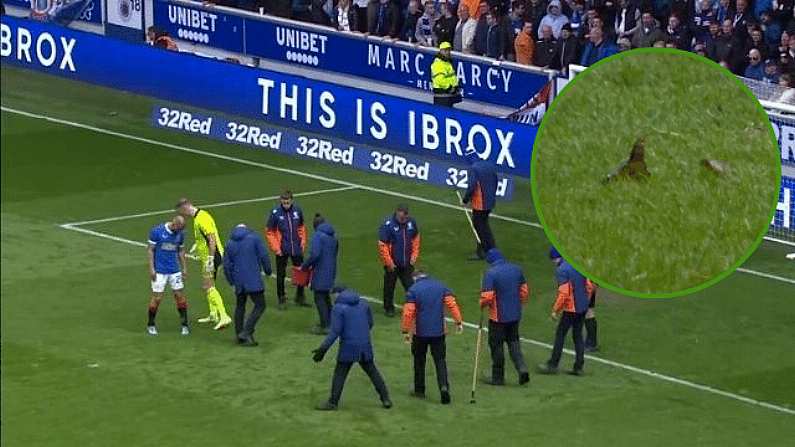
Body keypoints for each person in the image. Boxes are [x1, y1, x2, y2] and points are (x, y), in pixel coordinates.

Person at [312, 287, 392, 411]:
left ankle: (333, 402)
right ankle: (385, 398)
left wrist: (322, 350)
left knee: (340, 373)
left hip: (348, 346)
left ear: (338, 294)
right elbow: (370, 323)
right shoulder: (364, 304)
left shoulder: (338, 309)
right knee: (372, 371)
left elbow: (334, 332)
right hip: (365, 345)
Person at [400, 271, 463, 404]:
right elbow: (452, 304)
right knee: (440, 361)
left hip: (420, 333)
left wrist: (405, 331)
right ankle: (444, 387)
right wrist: (458, 321)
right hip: (438, 332)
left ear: (415, 278)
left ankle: (419, 390)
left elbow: (408, 313)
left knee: (419, 361)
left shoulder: (414, 290)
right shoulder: (441, 286)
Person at [176, 198, 232, 330]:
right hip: (207, 257)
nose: (183, 215)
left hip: (211, 257)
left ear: (186, 207)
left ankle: (224, 316)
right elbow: (205, 237)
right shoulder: (200, 217)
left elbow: (212, 240)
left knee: (208, 286)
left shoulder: (202, 219)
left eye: (182, 212)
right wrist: (198, 245)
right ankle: (213, 314)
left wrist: (210, 260)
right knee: (208, 285)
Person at [479, 249, 530, 386]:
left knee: (497, 346)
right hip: (515, 314)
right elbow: (524, 291)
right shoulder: (516, 269)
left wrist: (482, 303)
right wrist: (519, 304)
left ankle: (498, 377)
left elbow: (488, 297)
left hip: (498, 317)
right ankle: (522, 368)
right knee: (514, 342)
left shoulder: (491, 274)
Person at [538, 247, 590, 375]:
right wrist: (585, 300)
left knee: (560, 334)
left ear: (557, 258)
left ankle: (553, 364)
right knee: (578, 335)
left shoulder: (562, 270)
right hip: (583, 306)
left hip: (571, 309)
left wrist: (555, 310)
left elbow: (564, 293)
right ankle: (579, 367)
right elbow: (589, 285)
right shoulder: (577, 264)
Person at [223, 224, 272, 346]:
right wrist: (268, 270)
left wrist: (231, 281)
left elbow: (226, 265)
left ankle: (239, 335)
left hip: (239, 280)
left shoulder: (230, 243)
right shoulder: (254, 238)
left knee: (240, 306)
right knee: (260, 305)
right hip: (253, 279)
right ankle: (246, 332)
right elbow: (264, 255)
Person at [146, 215, 189, 336]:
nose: (179, 232)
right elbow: (150, 250)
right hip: (159, 271)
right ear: (174, 225)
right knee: (157, 298)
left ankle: (185, 324)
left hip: (174, 270)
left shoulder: (180, 234)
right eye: (179, 229)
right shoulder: (157, 232)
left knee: (179, 295)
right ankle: (151, 324)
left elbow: (180, 251)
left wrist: (184, 268)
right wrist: (151, 269)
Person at [266, 190, 309, 310]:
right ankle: (281, 298)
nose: (286, 204)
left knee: (301, 272)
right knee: (281, 274)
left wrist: (302, 243)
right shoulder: (275, 213)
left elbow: (301, 227)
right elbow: (270, 231)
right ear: (281, 201)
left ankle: (300, 296)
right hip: (282, 249)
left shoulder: (297, 211)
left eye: (288, 202)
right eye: (284, 202)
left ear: (292, 201)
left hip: (296, 247)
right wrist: (276, 248)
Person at [378, 204, 420, 317]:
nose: (404, 220)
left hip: (407, 262)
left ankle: (414, 306)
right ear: (397, 213)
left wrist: (414, 255)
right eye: (402, 218)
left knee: (411, 286)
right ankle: (388, 308)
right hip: (393, 263)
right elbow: (383, 245)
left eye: (406, 218)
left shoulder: (411, 223)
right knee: (389, 286)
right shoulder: (388, 225)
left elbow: (416, 238)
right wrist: (389, 262)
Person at [301, 214, 339, 334]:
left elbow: (315, 254)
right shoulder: (333, 235)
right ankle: (331, 321)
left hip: (321, 270)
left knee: (319, 297)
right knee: (325, 295)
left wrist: (305, 266)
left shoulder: (318, 236)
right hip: (331, 268)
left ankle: (325, 325)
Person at [461, 148, 498, 260]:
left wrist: (465, 200)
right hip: (490, 201)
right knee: (484, 225)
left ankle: (482, 251)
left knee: (479, 226)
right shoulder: (489, 165)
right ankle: (491, 248)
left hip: (480, 203)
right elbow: (496, 181)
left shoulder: (474, 169)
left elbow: (472, 186)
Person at [431, 41, 462, 106]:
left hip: (448, 96)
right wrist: (449, 88)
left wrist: (455, 86)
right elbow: (439, 80)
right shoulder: (438, 64)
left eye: (449, 50)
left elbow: (452, 77)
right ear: (441, 51)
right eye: (445, 50)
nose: (447, 52)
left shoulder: (447, 63)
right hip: (442, 96)